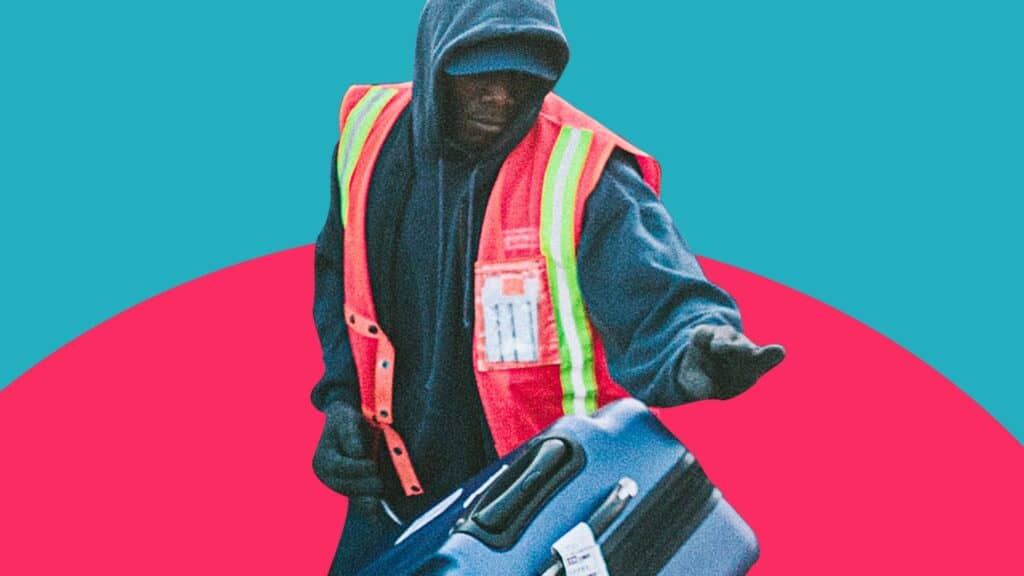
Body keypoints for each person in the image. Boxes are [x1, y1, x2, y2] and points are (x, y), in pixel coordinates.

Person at [311, 0, 785, 573]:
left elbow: (659, 288)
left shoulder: (584, 174)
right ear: (437, 60)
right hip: (388, 496)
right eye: (482, 73)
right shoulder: (369, 134)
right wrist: (339, 403)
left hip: (531, 514)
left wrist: (696, 343)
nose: (502, 97)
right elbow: (340, 276)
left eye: (524, 78)